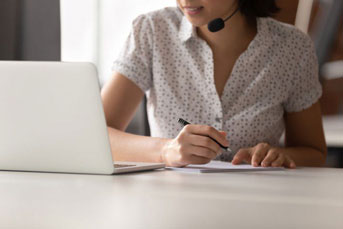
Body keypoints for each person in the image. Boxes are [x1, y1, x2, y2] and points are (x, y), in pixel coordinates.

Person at [101, 0, 327, 168]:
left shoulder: (292, 48)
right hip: (169, 203)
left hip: (256, 204)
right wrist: (165, 150)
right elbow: (97, 136)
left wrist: (280, 155)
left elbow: (314, 152)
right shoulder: (152, 31)